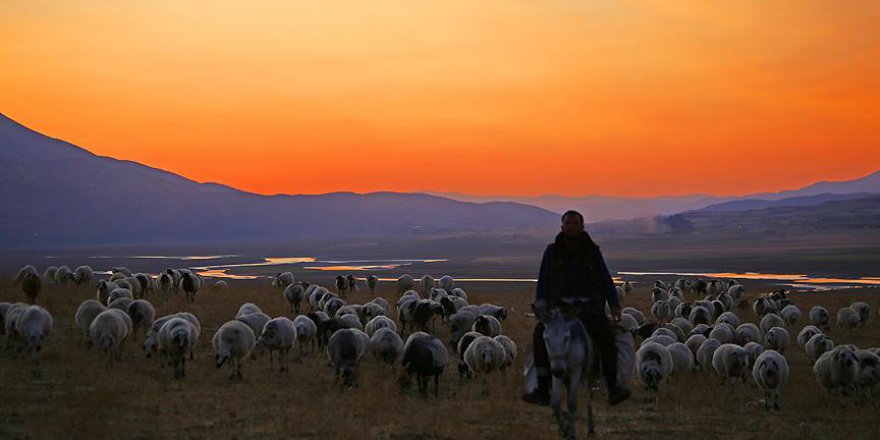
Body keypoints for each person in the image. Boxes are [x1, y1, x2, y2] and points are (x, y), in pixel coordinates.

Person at [521, 210, 631, 406]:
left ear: (582, 227)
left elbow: (606, 278)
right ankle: (542, 389)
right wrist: (542, 306)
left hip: (588, 307)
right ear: (562, 227)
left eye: (574, 223)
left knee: (605, 335)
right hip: (560, 309)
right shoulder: (552, 252)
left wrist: (614, 304)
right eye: (568, 223)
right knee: (539, 336)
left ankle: (613, 387)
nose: (571, 227)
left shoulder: (592, 251)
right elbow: (543, 280)